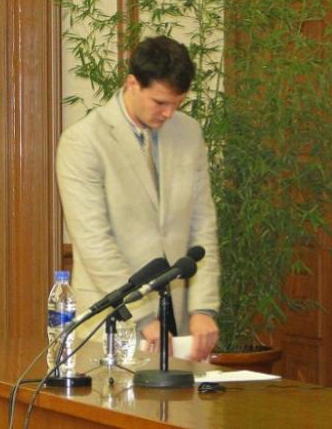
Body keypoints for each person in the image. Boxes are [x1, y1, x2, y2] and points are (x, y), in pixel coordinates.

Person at [56, 35, 220, 361]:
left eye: (177, 103)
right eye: (160, 102)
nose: (169, 113)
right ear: (132, 84)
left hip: (177, 314)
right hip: (114, 318)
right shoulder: (84, 141)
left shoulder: (188, 133)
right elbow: (94, 241)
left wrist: (204, 308)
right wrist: (142, 316)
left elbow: (202, 225)